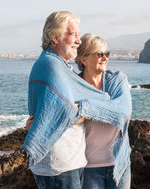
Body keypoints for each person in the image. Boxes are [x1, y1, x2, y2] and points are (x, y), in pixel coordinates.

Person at [22, 11, 131, 189]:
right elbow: (64, 111)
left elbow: (119, 111)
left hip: (71, 164)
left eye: (107, 53)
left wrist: (83, 109)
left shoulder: (62, 68)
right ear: (54, 37)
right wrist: (93, 106)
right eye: (73, 34)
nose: (78, 41)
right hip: (58, 167)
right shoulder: (51, 65)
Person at [75, 34, 132, 189]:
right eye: (99, 54)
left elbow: (123, 113)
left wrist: (85, 109)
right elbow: (65, 115)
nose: (105, 58)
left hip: (119, 162)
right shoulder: (73, 85)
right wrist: (108, 103)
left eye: (106, 53)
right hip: (88, 168)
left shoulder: (117, 80)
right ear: (83, 59)